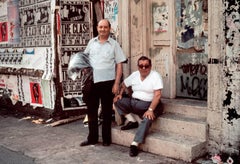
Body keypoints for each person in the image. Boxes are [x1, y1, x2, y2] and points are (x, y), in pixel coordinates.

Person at [80, 19, 127, 147]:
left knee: (106, 112)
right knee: (91, 111)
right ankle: (92, 138)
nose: (103, 29)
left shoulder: (114, 45)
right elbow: (85, 58)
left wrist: (117, 83)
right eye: (100, 27)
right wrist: (85, 68)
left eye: (105, 27)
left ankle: (106, 139)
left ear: (109, 28)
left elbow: (119, 64)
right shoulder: (92, 42)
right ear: (97, 28)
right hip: (93, 82)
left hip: (108, 82)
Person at [113, 56, 164, 157]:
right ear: (138, 67)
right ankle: (132, 121)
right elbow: (123, 84)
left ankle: (135, 144)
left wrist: (150, 110)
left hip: (150, 105)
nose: (143, 68)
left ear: (150, 66)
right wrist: (120, 94)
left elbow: (158, 95)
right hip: (134, 102)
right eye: (141, 66)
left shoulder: (155, 76)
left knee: (148, 117)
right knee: (117, 101)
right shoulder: (135, 75)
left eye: (146, 66)